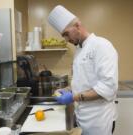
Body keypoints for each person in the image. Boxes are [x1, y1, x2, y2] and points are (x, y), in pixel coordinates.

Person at [48, 5, 118, 135]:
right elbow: (82, 81)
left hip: (99, 120)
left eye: (66, 34)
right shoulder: (79, 51)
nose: (66, 39)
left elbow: (108, 87)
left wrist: (74, 97)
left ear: (77, 25)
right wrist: (67, 90)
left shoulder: (102, 45)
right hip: (82, 116)